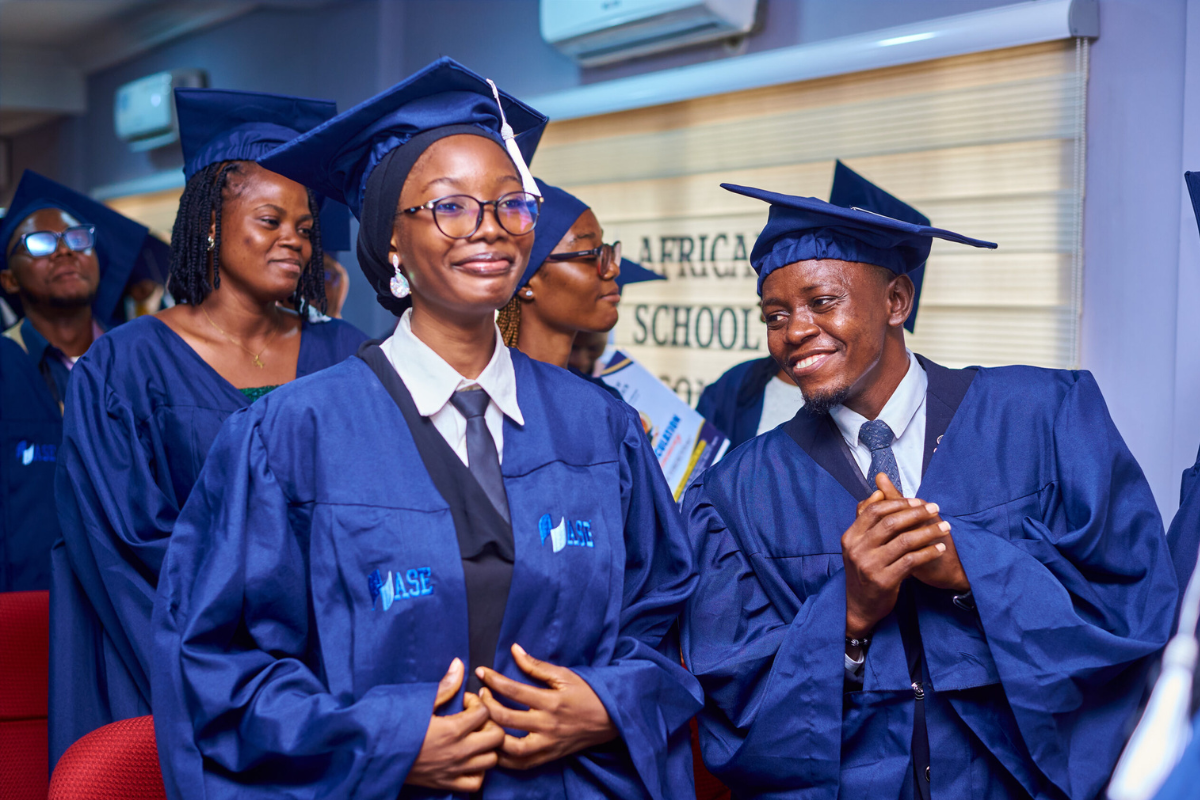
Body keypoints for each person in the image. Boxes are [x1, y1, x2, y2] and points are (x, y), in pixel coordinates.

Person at [152, 56, 701, 799]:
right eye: (450, 207)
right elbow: (218, 664)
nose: (490, 229)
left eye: (512, 205)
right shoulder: (293, 435)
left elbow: (669, 618)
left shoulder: (599, 428)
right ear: (390, 244)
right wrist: (386, 743)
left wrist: (608, 702)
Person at [680, 177, 1177, 799]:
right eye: (775, 315)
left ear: (896, 300)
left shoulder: (1044, 417)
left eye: (822, 301)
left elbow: (1137, 610)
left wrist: (975, 571)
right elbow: (731, 701)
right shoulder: (738, 494)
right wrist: (852, 613)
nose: (794, 332)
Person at [49, 88, 367, 766]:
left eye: (307, 227)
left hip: (327, 672)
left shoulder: (347, 355)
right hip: (180, 657)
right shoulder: (125, 364)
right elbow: (127, 539)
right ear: (212, 226)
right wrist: (260, 631)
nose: (294, 239)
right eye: (270, 218)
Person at [0, 170, 165, 591]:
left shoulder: (142, 364)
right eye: (39, 243)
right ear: (9, 279)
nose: (63, 252)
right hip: (23, 606)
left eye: (77, 239)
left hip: (126, 606)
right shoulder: (5, 364)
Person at [497, 179, 621, 369]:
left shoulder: (599, 397)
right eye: (590, 255)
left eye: (606, 251)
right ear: (526, 282)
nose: (613, 269)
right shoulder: (487, 394)